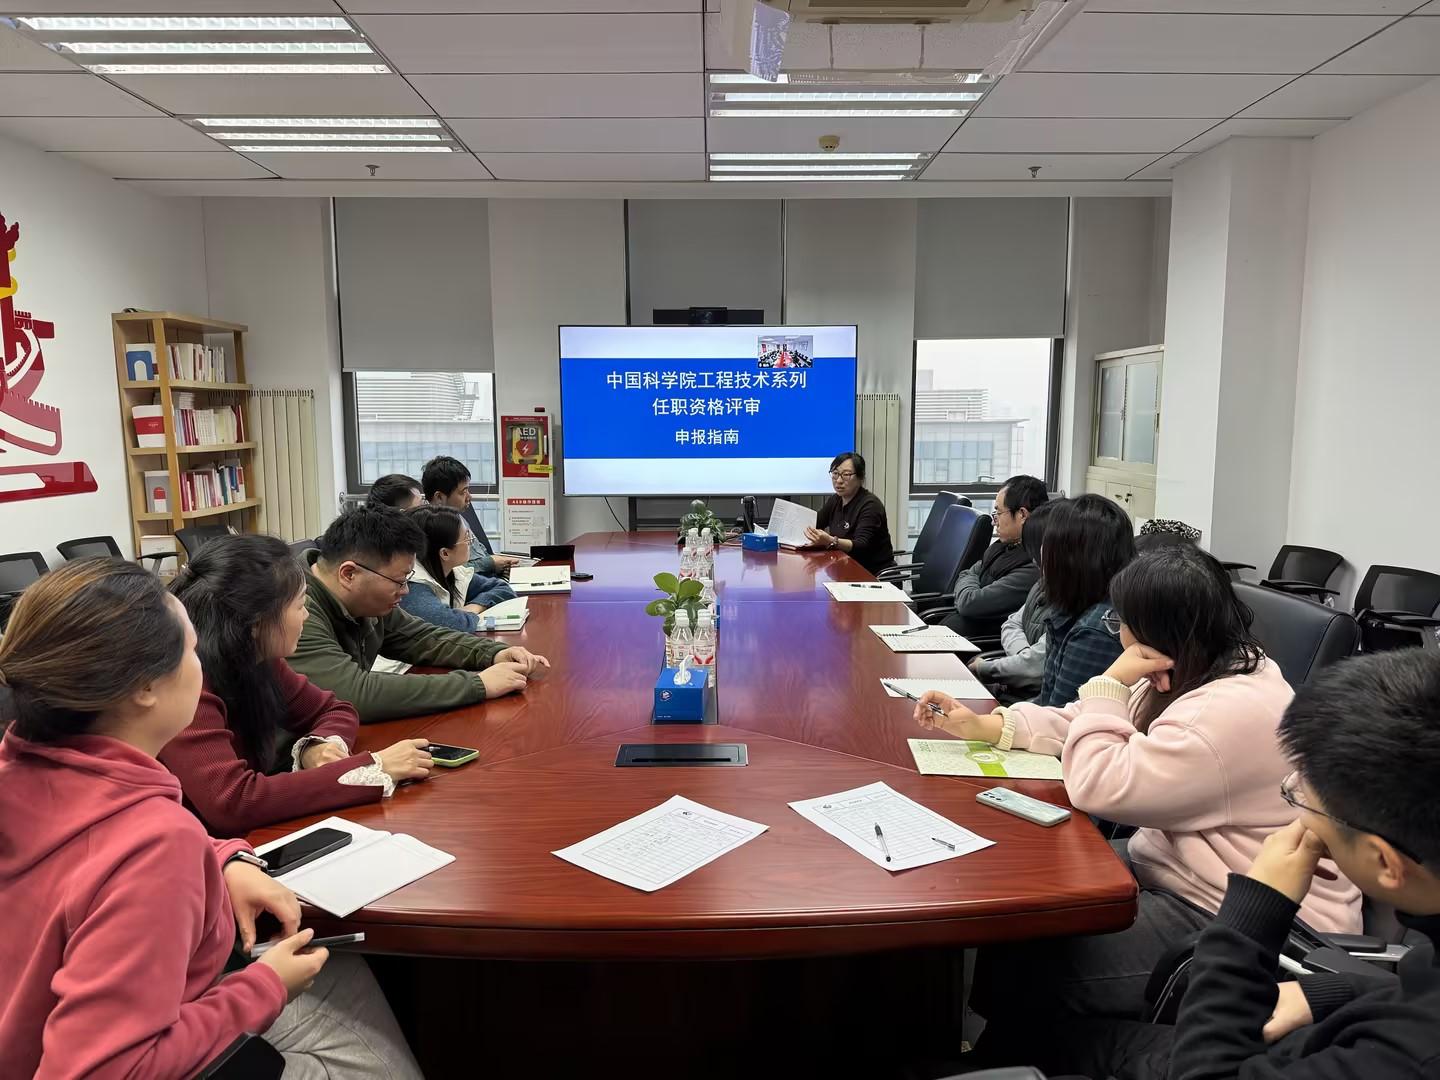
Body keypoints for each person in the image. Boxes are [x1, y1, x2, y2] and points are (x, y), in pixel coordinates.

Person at [915, 545, 1361, 1065]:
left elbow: (1098, 783)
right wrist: (990, 725)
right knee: (1022, 908)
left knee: (1036, 959)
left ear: (1156, 630)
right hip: (1184, 867)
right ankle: (1001, 1043)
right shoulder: (1202, 663)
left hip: (1250, 913)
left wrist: (1110, 682)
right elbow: (1089, 720)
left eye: (1121, 622)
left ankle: (1002, 1056)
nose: (1118, 633)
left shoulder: (1225, 713)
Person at [0, 559, 422, 1078]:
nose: (201, 666)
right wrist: (264, 987)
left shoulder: (22, 766)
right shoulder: (155, 843)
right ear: (145, 687)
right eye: (190, 649)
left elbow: (91, 852)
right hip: (144, 1044)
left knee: (343, 973)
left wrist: (222, 858)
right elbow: (104, 1070)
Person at [1038, 649, 1440, 1080]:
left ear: (1384, 863)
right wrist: (1340, 988)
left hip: (1224, 1053)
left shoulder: (1405, 1057)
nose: (1298, 812)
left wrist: (1256, 907)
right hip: (1338, 1008)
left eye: (1305, 802)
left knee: (1047, 1035)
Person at [163, 533, 436, 838]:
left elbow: (334, 708)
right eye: (300, 605)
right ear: (255, 622)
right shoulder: (186, 687)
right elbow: (233, 802)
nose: (306, 616)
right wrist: (372, 769)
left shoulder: (258, 659)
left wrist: (316, 746)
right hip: (195, 851)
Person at [288, 504, 550, 724]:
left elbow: (420, 638)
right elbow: (354, 694)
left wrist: (493, 653)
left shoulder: (365, 601)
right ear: (349, 574)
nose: (405, 591)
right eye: (399, 581)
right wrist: (477, 684)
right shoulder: (292, 609)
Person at [1019, 494, 1134, 706]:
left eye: (1048, 543)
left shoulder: (1094, 632)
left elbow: (1060, 716)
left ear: (1070, 558)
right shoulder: (1077, 604)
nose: (1042, 553)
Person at [970, 497, 1060, 701]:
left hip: (1029, 699)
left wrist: (987, 668)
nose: (1036, 559)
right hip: (1015, 681)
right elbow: (1012, 623)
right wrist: (1024, 656)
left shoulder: (1072, 600)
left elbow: (1036, 668)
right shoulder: (1041, 583)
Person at [944, 474, 1048, 639]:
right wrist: (969, 584)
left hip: (981, 643)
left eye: (998, 513)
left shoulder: (1033, 566)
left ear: (1022, 514)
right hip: (956, 633)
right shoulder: (1003, 545)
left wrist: (967, 588)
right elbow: (967, 573)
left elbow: (969, 603)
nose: (994, 522)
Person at [402, 505, 513, 629]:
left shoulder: (451, 571)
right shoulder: (413, 586)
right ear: (445, 553)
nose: (470, 542)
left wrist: (474, 606)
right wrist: (465, 614)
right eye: (466, 538)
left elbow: (503, 589)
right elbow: (456, 625)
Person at [422, 454, 518, 577]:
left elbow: (481, 554)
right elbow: (451, 572)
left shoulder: (458, 517)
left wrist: (498, 566)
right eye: (463, 492)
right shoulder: (432, 529)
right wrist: (491, 563)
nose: (469, 497)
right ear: (439, 497)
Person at [804, 451, 896, 576]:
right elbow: (815, 523)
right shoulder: (835, 500)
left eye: (846, 475)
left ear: (860, 478)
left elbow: (861, 545)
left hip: (873, 575)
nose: (839, 480)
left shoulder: (871, 505)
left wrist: (831, 541)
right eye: (835, 474)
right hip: (844, 569)